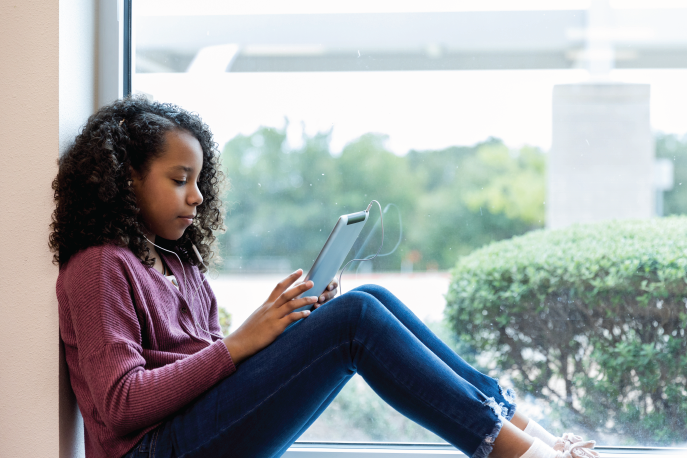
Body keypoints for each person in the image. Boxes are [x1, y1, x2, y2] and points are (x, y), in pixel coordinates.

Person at [50, 96, 598, 458]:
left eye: (199, 181)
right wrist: (241, 344)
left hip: (198, 429)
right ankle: (519, 454)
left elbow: (210, 364)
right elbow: (121, 404)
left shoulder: (177, 261)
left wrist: (286, 328)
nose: (196, 196)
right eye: (179, 179)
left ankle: (534, 437)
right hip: (155, 450)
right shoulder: (100, 266)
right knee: (355, 319)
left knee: (369, 300)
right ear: (125, 179)